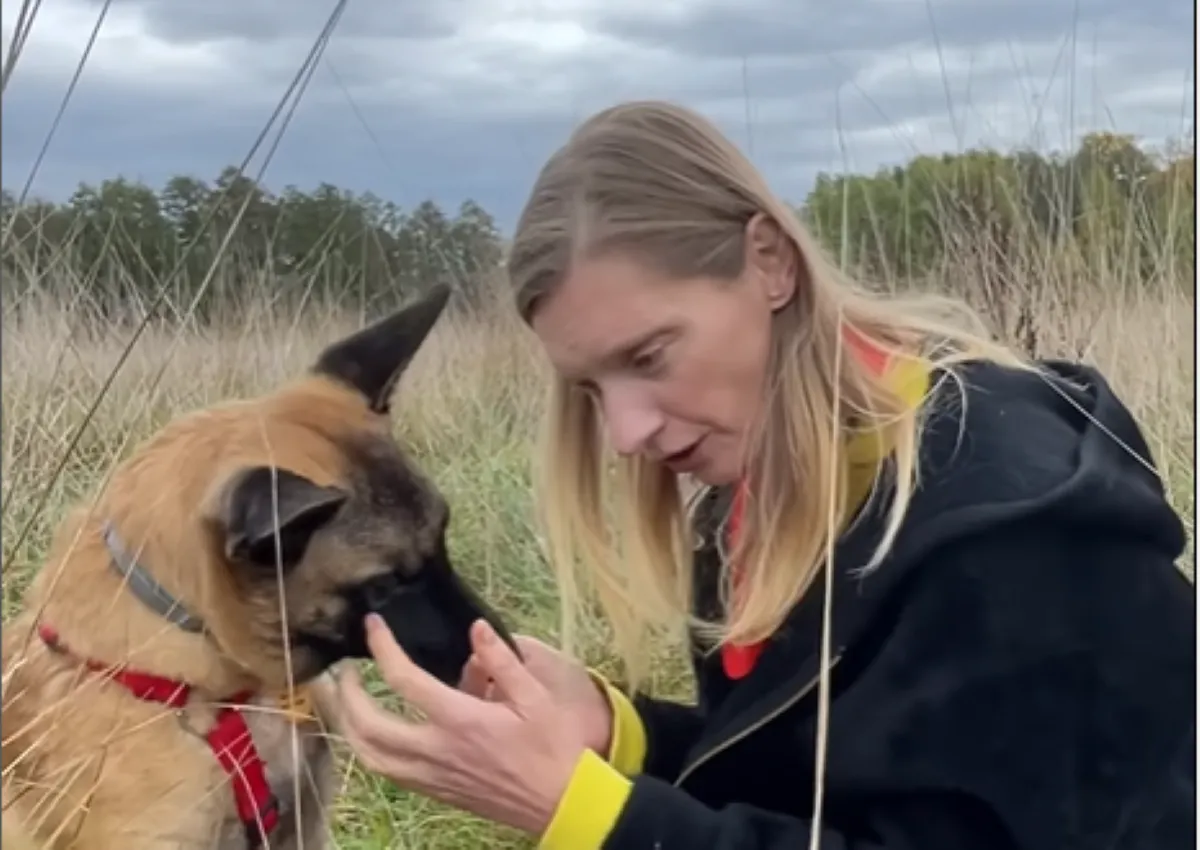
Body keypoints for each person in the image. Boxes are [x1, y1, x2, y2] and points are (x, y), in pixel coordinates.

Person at [330, 100, 1195, 850]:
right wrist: (613, 732)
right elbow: (807, 793)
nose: (627, 433)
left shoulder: (1019, 540)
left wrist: (589, 815)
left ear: (771, 263)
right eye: (593, 388)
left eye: (650, 354)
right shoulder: (760, 502)